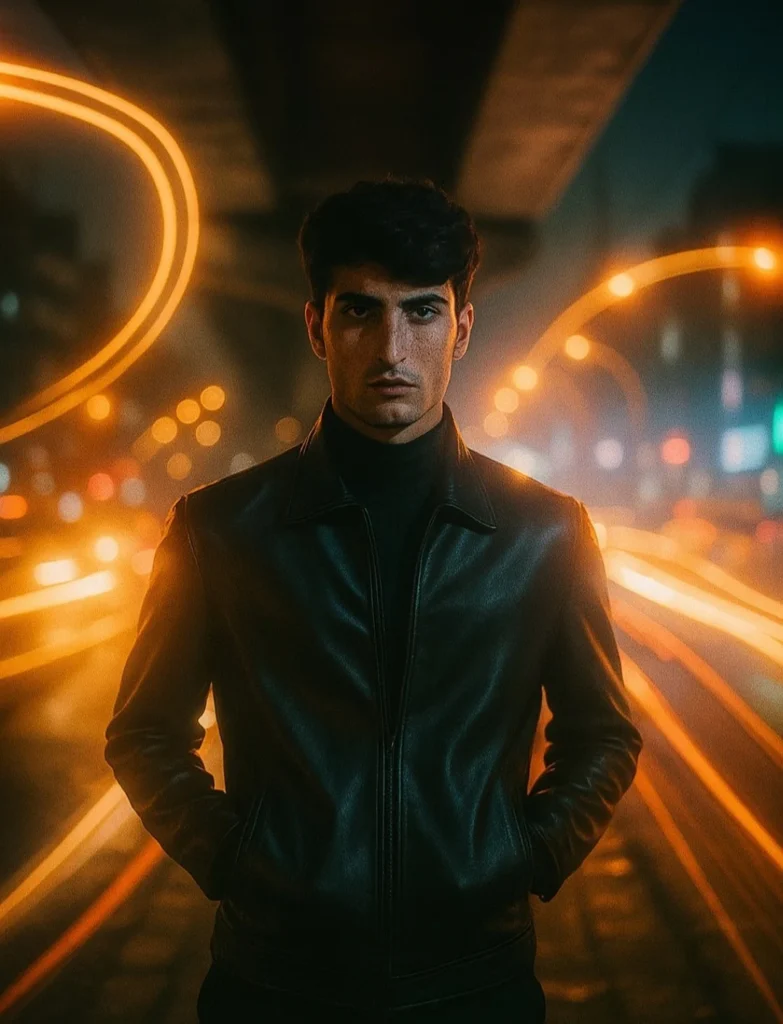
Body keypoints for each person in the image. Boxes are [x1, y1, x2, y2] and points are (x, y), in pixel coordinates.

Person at [105, 177, 643, 1022]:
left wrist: (526, 856)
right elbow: (144, 731)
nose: (391, 346)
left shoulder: (545, 533)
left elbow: (602, 734)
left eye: (421, 311)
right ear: (317, 325)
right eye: (360, 311)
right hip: (272, 985)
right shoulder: (220, 530)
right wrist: (237, 863)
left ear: (461, 329)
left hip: (477, 983)